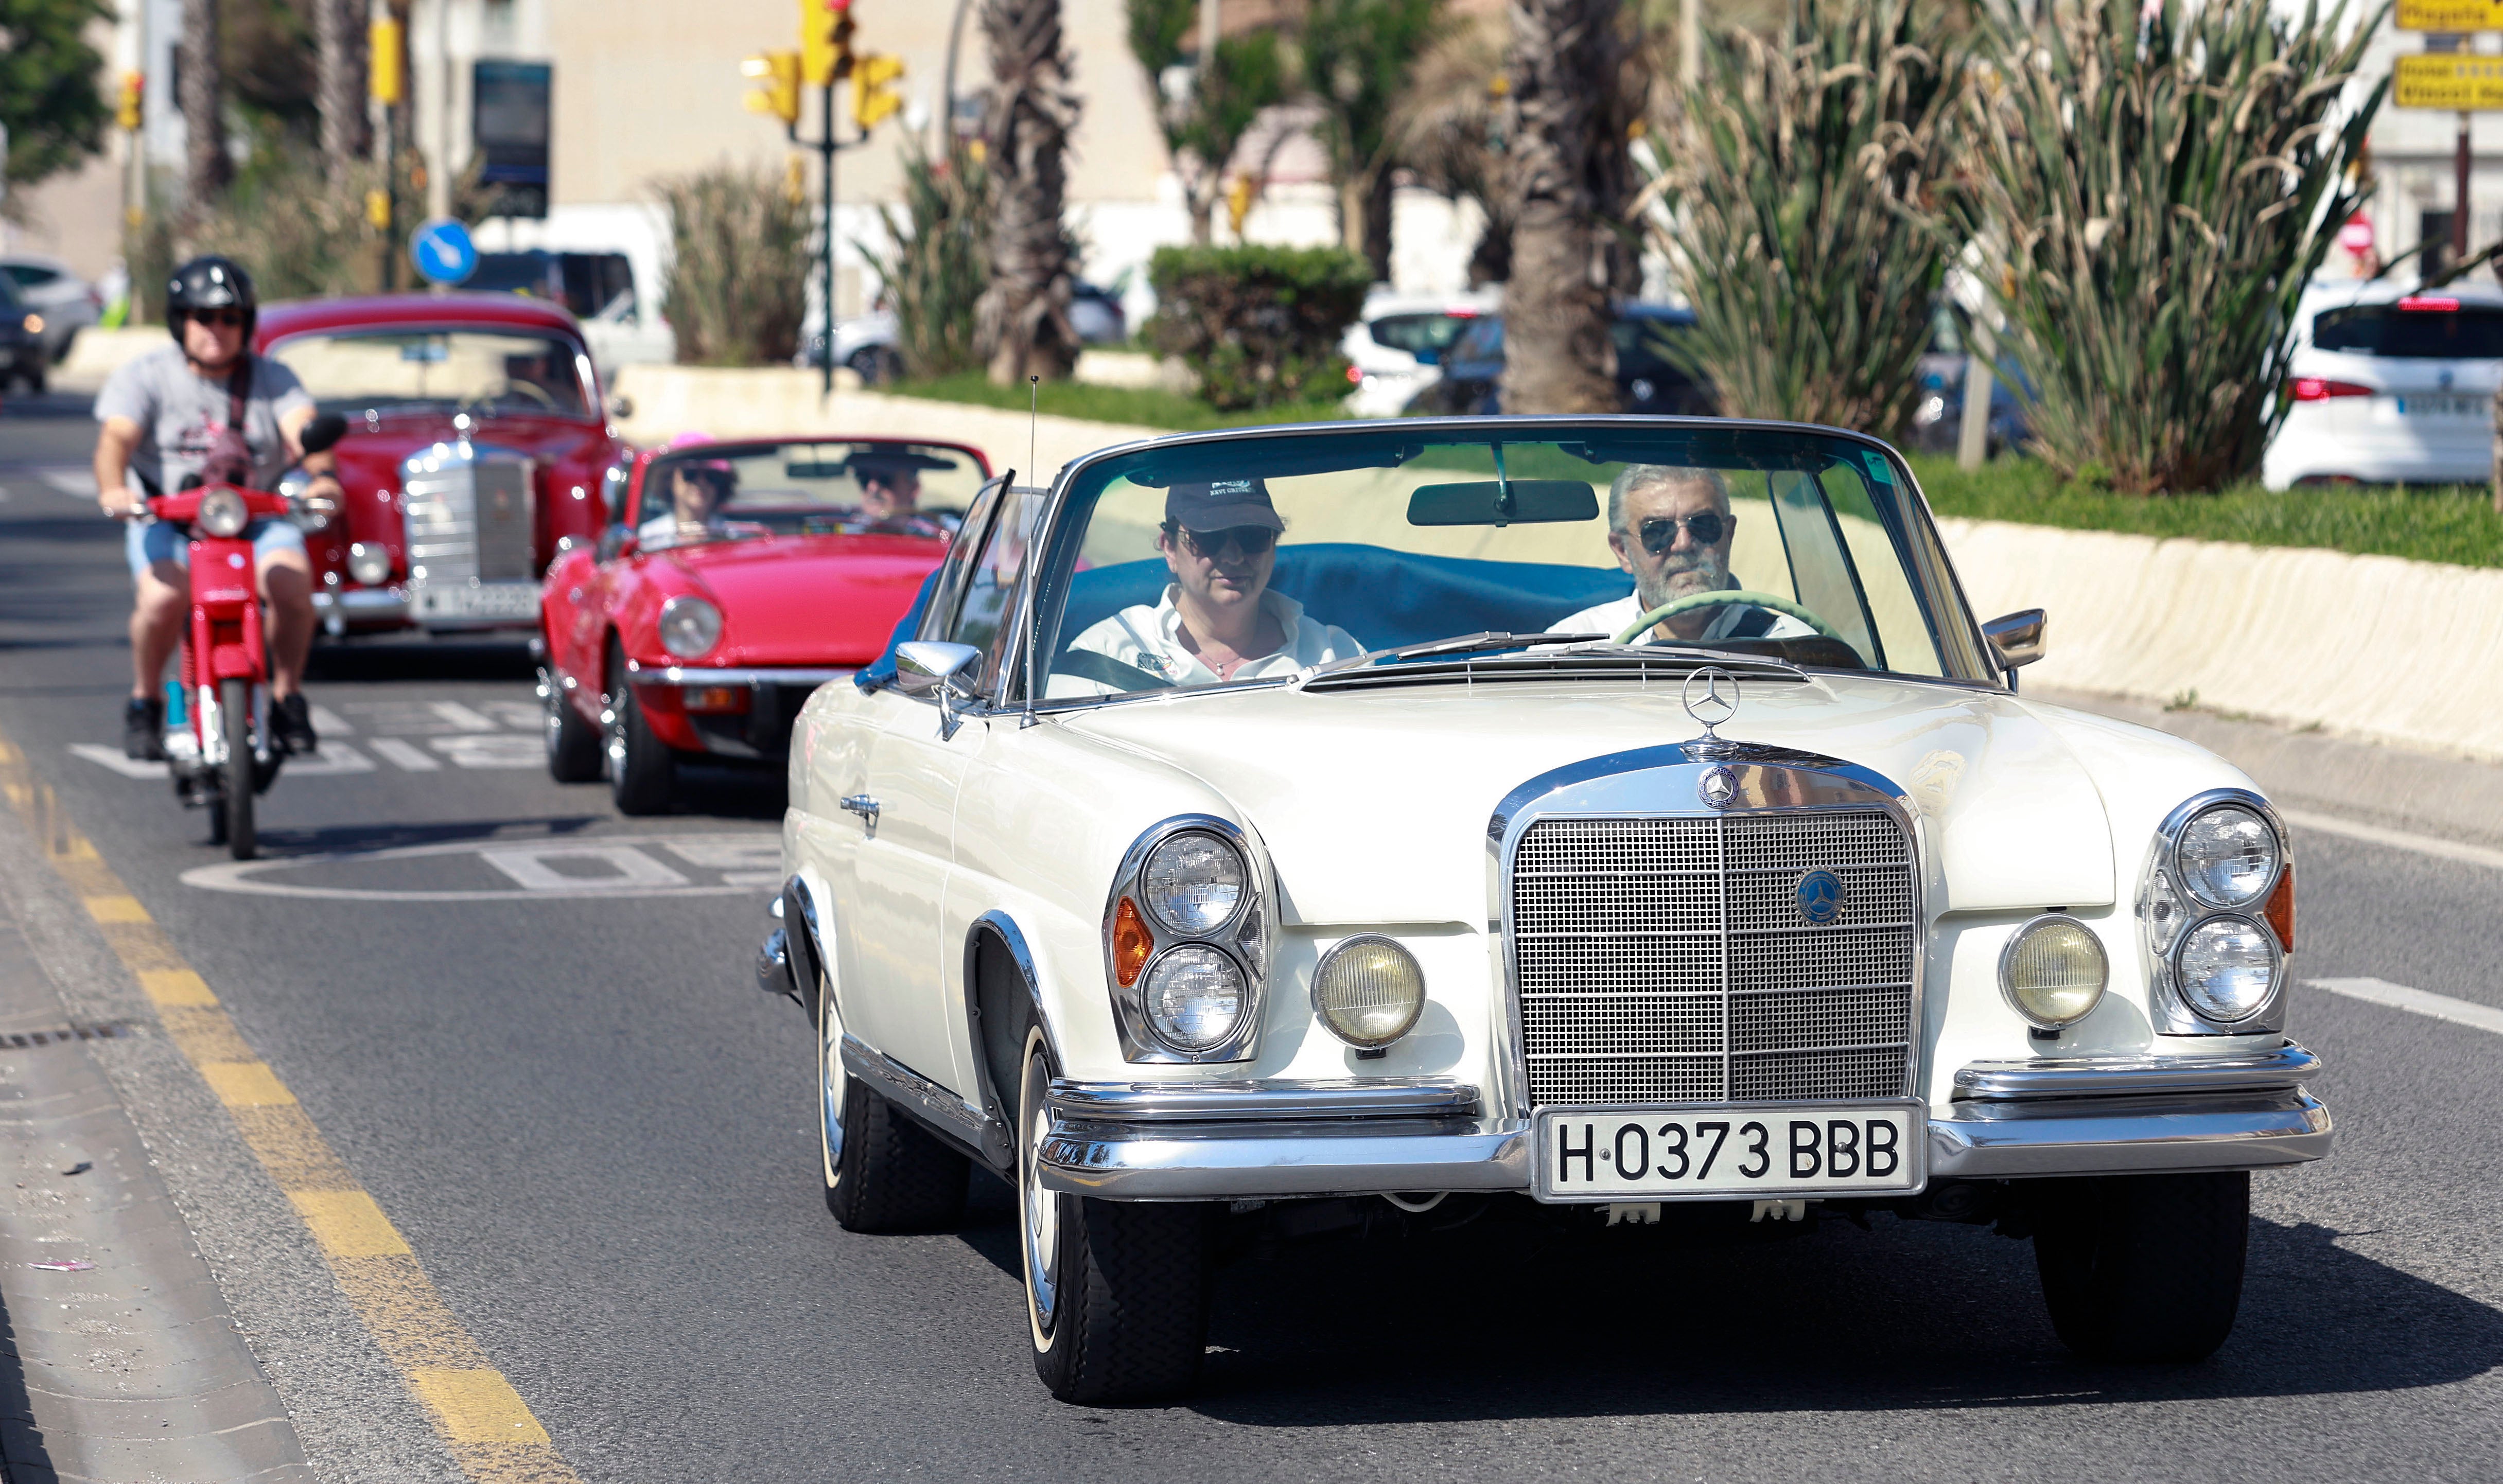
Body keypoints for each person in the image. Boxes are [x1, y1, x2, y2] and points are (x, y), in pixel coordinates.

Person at [94, 256, 335, 760]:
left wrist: (324, 478)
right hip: (169, 523)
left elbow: (305, 429)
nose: (217, 329)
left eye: (231, 318)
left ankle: (288, 696)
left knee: (292, 586)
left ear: (246, 323)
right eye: (204, 317)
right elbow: (116, 439)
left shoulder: (274, 377)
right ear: (180, 321)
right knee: (162, 598)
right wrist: (116, 490)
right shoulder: (146, 376)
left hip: (258, 522)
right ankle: (146, 700)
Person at [1064, 478, 1362, 688]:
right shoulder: (1105, 654)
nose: (1233, 557)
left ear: (1274, 545)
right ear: (1169, 547)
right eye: (1209, 538)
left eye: (1252, 537)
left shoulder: (1337, 656)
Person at [1550, 463, 1816, 645]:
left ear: (1729, 534)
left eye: (1703, 525)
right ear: (1622, 551)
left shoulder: (1795, 646)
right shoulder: (1574, 648)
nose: (1683, 543)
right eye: (1657, 531)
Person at [637, 439, 738, 547]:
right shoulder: (647, 538)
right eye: (690, 474)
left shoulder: (734, 537)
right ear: (670, 479)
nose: (701, 482)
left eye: (711, 476)